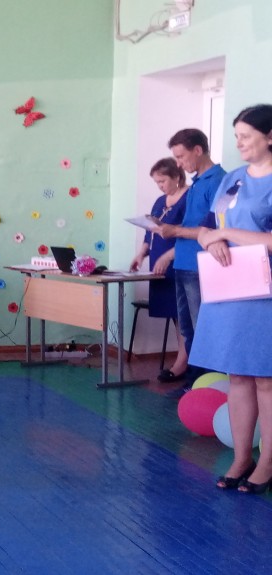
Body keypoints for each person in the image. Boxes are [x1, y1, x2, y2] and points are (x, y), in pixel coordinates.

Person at [191, 104, 272, 494]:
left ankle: (268, 463)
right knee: (237, 376)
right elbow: (208, 228)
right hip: (229, 288)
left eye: (246, 136)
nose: (238, 143)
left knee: (266, 380)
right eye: (236, 135)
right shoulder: (233, 179)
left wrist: (229, 236)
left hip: (265, 292)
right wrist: (210, 240)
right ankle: (242, 457)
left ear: (270, 137)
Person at [154, 129, 227, 394]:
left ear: (198, 150)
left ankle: (207, 384)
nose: (178, 164)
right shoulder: (197, 183)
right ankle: (193, 381)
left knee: (203, 327)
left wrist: (174, 231)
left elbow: (215, 229)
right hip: (184, 263)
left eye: (181, 157)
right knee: (187, 327)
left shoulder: (219, 181)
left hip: (201, 265)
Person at [129, 158, 188, 381]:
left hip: (179, 262)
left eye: (162, 181)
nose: (160, 186)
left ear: (177, 177)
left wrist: (169, 256)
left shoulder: (189, 197)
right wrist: (141, 254)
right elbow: (150, 231)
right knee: (174, 315)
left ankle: (183, 362)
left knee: (183, 315)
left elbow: (190, 233)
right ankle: (183, 359)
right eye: (156, 182)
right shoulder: (160, 201)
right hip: (159, 264)